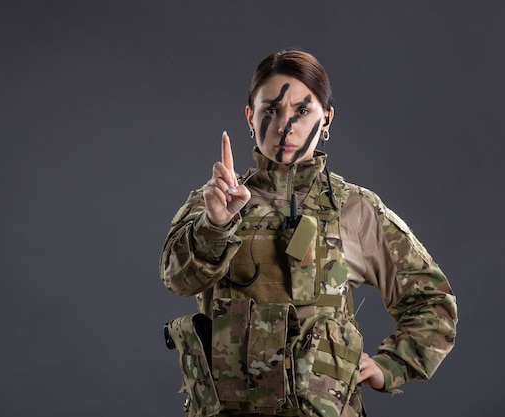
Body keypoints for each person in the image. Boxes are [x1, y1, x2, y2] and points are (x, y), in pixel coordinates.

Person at [160, 49, 457, 417]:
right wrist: (216, 225)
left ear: (327, 119)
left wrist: (391, 366)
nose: (286, 126)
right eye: (271, 110)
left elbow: (433, 302)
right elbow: (177, 280)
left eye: (302, 111)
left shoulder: (354, 209)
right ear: (250, 117)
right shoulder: (214, 200)